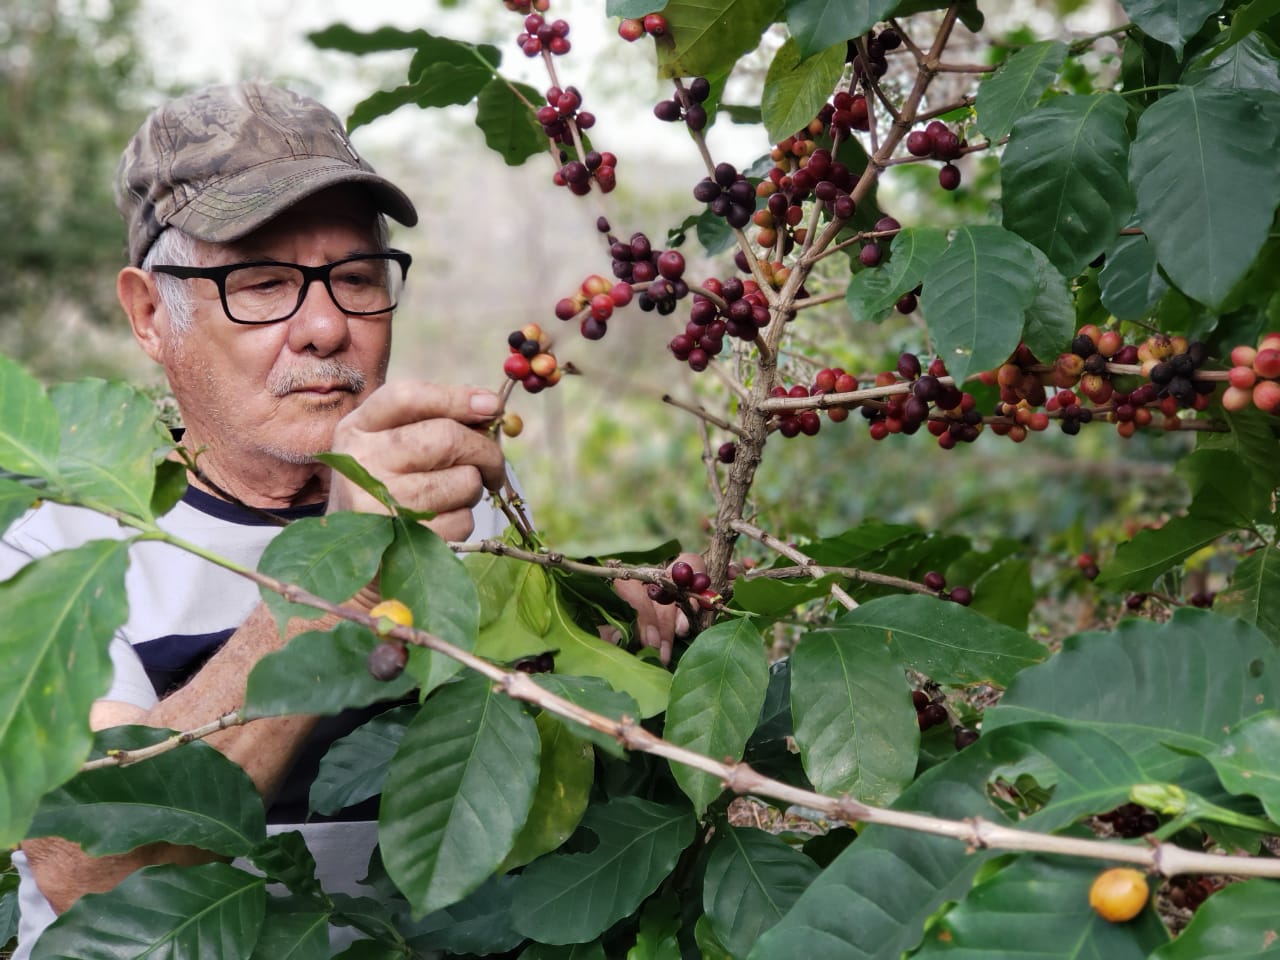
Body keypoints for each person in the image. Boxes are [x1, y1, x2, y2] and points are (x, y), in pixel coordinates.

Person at [2, 80, 691, 957]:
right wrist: (340, 571)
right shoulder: (53, 546)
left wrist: (602, 628)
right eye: (261, 284)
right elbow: (88, 863)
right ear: (149, 314)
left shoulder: (454, 514)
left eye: (358, 278)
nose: (327, 327)